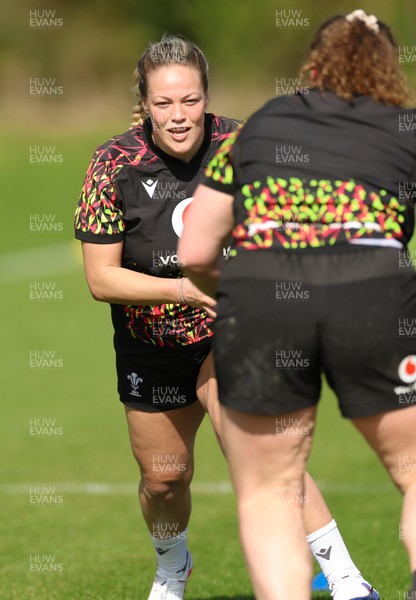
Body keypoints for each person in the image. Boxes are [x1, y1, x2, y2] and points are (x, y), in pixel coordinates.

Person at [74, 34, 378, 600]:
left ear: (206, 96)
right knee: (165, 480)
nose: (179, 115)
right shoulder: (112, 163)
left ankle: (344, 578)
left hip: (236, 327)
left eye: (190, 100)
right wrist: (185, 290)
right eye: (164, 103)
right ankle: (172, 565)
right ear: (144, 103)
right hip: (151, 340)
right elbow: (101, 279)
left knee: (253, 438)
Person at [179, 9, 416, 600]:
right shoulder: (404, 125)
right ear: (390, 72)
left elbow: (195, 250)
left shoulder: (261, 124)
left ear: (312, 67)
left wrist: (238, 295)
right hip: (373, 287)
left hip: (261, 293)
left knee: (270, 489)